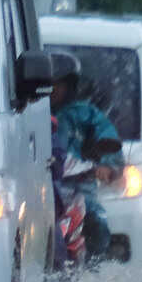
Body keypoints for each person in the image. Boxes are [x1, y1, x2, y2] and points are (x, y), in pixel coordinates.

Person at [49, 51, 123, 260]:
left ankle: (95, 268)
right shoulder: (33, 112)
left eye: (59, 83)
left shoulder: (85, 113)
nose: (53, 89)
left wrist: (108, 166)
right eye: (50, 83)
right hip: (48, 185)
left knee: (96, 219)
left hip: (79, 185)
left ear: (70, 85)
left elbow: (107, 136)